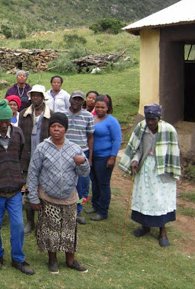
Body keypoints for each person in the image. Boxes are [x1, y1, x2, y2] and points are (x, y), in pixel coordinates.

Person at [27, 112, 90, 274]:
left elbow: (84, 173)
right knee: (51, 231)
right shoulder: (42, 148)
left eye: (60, 127)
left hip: (69, 197)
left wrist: (82, 162)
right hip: (48, 197)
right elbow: (33, 173)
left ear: (65, 129)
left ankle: (70, 260)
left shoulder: (75, 149)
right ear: (49, 129)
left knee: (69, 231)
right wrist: (33, 197)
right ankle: (52, 260)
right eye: (53, 126)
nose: (56, 130)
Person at [0, 100, 35, 275]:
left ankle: (18, 258)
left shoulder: (18, 134)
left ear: (11, 118)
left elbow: (19, 155)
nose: (3, 125)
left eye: (7, 121)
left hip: (14, 190)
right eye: (0, 121)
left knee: (17, 225)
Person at [119, 104, 181, 247]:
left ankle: (162, 231)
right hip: (146, 167)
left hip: (161, 170)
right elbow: (138, 149)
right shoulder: (141, 128)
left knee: (159, 199)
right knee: (144, 197)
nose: (150, 122)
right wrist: (135, 160)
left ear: (159, 118)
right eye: (148, 119)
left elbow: (173, 152)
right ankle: (145, 226)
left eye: (153, 119)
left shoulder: (168, 130)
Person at [19, 85, 52, 234]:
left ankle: (43, 222)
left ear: (43, 97)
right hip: (27, 159)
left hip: (45, 159)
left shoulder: (51, 115)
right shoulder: (23, 114)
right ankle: (30, 222)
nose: (36, 98)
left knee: (45, 191)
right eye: (33, 95)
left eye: (38, 95)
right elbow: (19, 136)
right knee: (28, 192)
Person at [85, 94, 122, 221]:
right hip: (92, 156)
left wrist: (112, 157)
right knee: (94, 182)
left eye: (103, 107)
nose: (100, 109)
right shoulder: (92, 118)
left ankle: (103, 210)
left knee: (103, 183)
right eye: (97, 107)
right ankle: (95, 205)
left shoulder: (112, 121)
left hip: (104, 157)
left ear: (108, 108)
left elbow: (117, 140)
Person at [64, 91, 94, 224]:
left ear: (83, 102)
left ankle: (78, 210)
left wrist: (90, 157)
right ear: (70, 100)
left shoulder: (88, 116)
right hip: (65, 154)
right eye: (74, 99)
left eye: (79, 100)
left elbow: (91, 137)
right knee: (66, 182)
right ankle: (65, 209)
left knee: (81, 185)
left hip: (82, 154)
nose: (76, 102)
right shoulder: (63, 115)